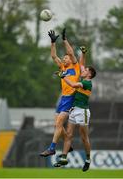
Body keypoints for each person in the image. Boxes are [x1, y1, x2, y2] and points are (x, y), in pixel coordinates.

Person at [40, 29, 86, 157]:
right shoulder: (63, 68)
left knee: (59, 123)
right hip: (63, 98)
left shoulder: (75, 66)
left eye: (66, 57)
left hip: (71, 97)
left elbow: (71, 52)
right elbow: (54, 56)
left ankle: (52, 148)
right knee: (57, 124)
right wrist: (53, 42)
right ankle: (67, 142)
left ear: (71, 59)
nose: (65, 59)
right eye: (64, 58)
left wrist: (65, 40)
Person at [54, 65, 96, 172]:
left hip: (83, 112)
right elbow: (81, 65)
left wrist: (63, 76)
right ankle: (64, 158)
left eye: (86, 70)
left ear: (89, 74)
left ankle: (87, 159)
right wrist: (83, 53)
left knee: (83, 137)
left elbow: (72, 84)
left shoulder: (87, 83)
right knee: (69, 135)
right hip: (74, 110)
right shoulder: (84, 78)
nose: (83, 70)